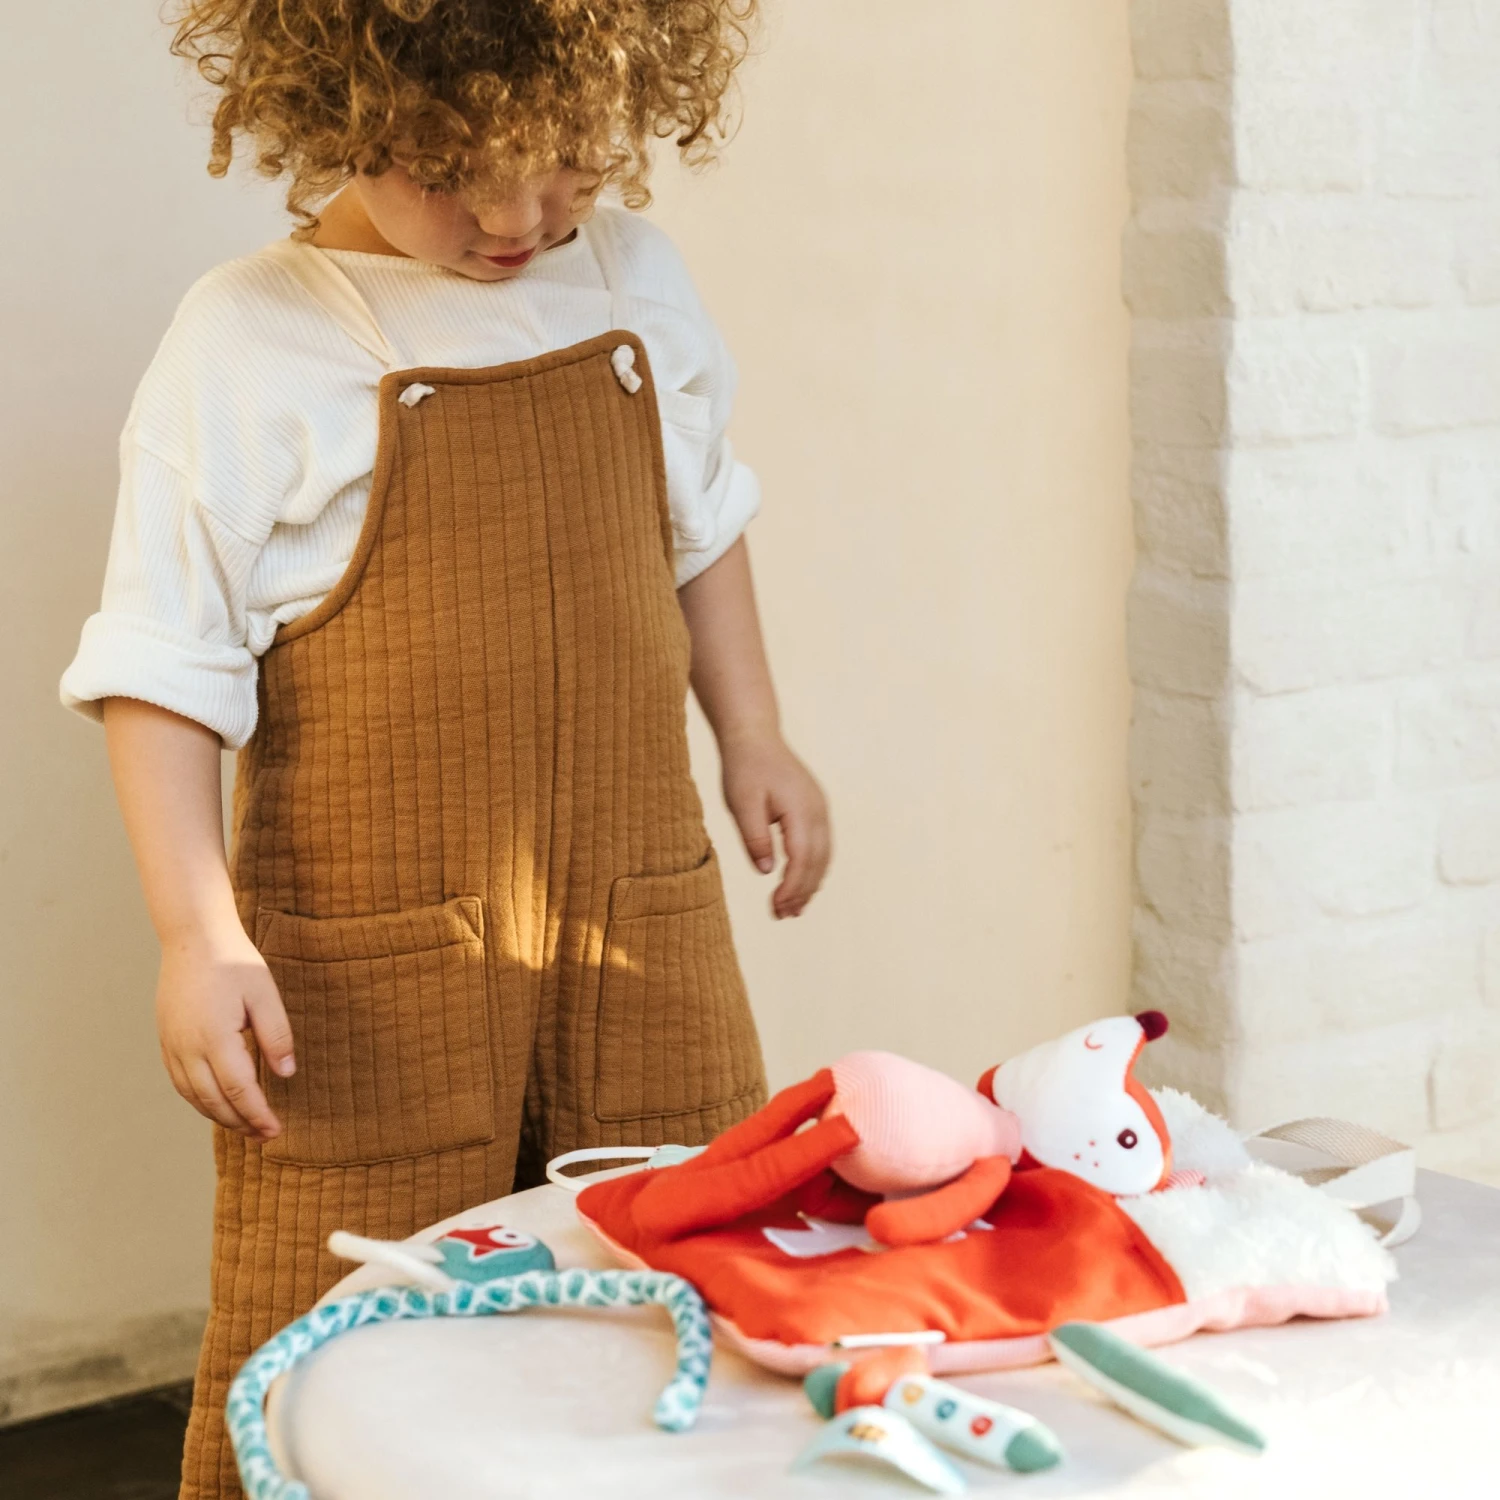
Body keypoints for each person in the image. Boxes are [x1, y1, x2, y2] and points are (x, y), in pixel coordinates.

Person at [59, 2, 830, 1494]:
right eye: (449, 174)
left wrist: (755, 734)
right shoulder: (250, 338)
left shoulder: (637, 283)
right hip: (368, 966)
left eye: (564, 166)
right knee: (341, 1325)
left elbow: (702, 526)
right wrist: (197, 933)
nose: (514, 220)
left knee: (679, 1277)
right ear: (339, 111)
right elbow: (163, 665)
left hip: (637, 916)